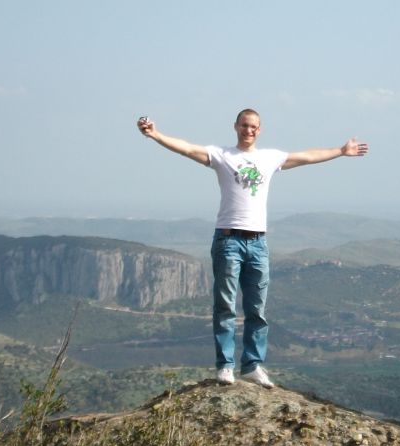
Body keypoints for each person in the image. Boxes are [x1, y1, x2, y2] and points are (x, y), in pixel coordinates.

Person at [136, 109, 369, 388]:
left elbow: (305, 157)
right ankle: (225, 366)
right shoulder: (222, 155)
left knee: (256, 308)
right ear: (236, 126)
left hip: (258, 242)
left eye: (254, 127)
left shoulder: (269, 158)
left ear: (260, 129)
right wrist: (156, 135)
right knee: (225, 306)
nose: (249, 130)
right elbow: (187, 149)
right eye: (245, 125)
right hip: (228, 239)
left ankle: (252, 365)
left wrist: (341, 151)